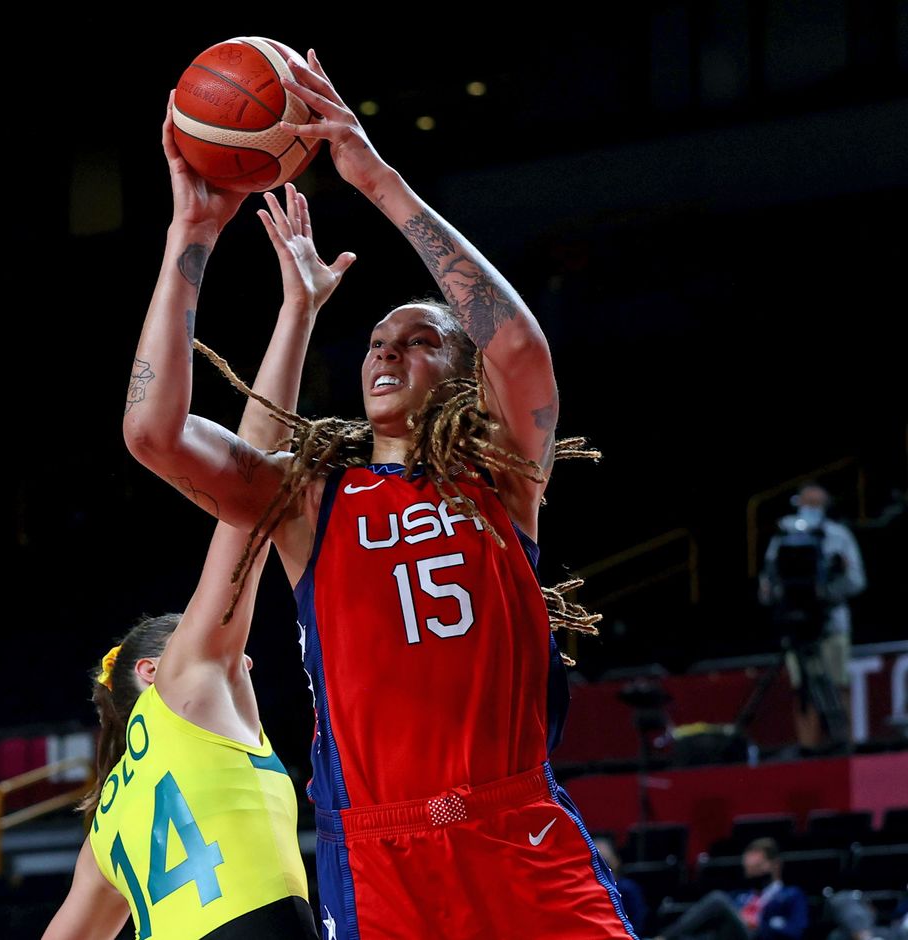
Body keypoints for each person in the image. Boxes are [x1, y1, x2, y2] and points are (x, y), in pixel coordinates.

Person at [124, 51, 631, 940]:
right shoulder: (309, 499)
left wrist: (377, 180)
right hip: (378, 856)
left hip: (516, 829)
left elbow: (519, 351)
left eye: (421, 339)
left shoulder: (501, 475)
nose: (387, 350)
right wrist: (191, 237)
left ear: (464, 375)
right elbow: (152, 433)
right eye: (375, 342)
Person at [43, 180, 351, 940]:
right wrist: (298, 313)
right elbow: (251, 487)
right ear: (154, 671)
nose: (240, 656)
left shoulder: (105, 829)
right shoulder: (189, 680)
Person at [760, 482, 867, 750]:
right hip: (795, 625)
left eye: (815, 504)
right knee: (803, 690)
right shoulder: (783, 535)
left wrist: (825, 590)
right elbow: (769, 581)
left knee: (837, 686)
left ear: (825, 507)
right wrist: (773, 591)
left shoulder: (838, 535)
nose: (810, 508)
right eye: (806, 503)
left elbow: (857, 581)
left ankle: (844, 747)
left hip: (831, 624)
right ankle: (809, 750)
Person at [653, 838, 806, 940]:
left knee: (717, 899)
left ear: (776, 865)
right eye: (749, 870)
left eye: (758, 867)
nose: (754, 874)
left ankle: (663, 938)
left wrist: (759, 924)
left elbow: (795, 932)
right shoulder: (740, 896)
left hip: (757, 936)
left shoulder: (791, 895)